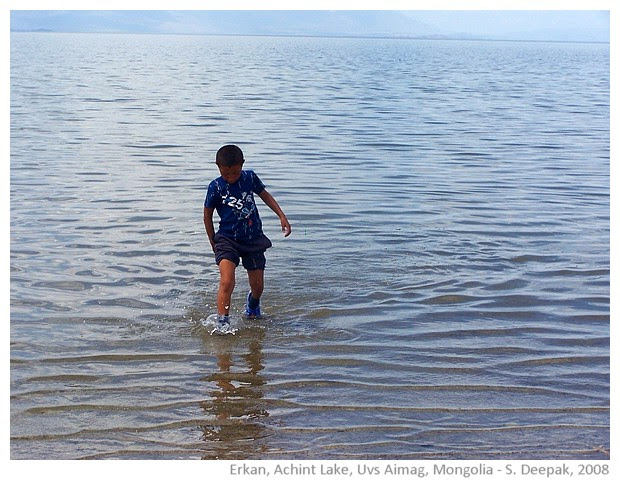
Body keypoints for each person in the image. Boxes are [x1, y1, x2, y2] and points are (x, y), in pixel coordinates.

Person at [204, 145, 291, 332]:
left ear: (242, 165)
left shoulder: (249, 178)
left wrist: (281, 216)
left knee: (258, 286)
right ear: (218, 167)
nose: (230, 177)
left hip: (253, 239)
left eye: (235, 173)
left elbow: (265, 196)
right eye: (225, 174)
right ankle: (222, 322)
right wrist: (212, 239)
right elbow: (207, 215)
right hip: (227, 240)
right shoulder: (215, 187)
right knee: (227, 281)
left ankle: (252, 303)